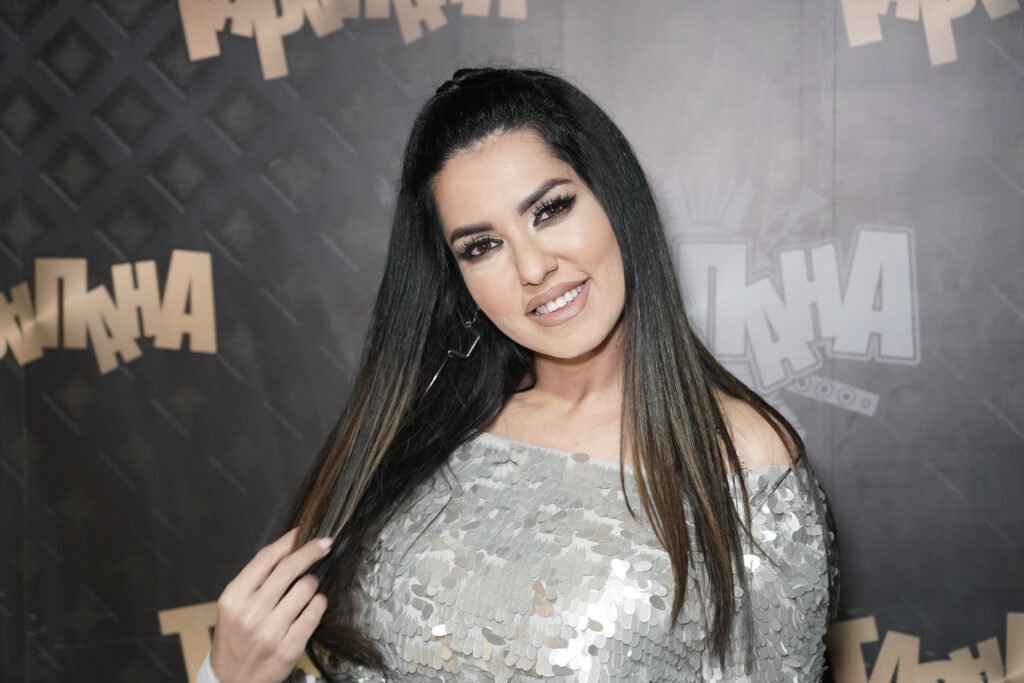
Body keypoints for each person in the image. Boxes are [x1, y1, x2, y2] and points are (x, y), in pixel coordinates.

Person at [198, 67, 839, 683]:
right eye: (482, 246)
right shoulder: (422, 431)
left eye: (550, 210)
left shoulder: (746, 461)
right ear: (458, 276)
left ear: (616, 200)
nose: (533, 268)